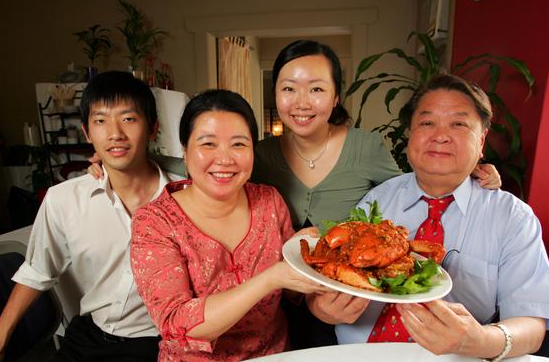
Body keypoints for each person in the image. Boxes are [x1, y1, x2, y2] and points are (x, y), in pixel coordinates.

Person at [87, 40, 502, 349]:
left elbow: (417, 179)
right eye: (288, 89)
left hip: (331, 306)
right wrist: (112, 159)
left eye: (317, 90)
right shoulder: (257, 155)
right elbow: (191, 164)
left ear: (336, 96)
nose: (302, 102)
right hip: (274, 307)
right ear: (275, 96)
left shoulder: (358, 152)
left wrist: (470, 170)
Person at [310, 74, 549, 360]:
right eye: (427, 122)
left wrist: (482, 339)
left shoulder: (513, 218)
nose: (440, 135)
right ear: (410, 136)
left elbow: (532, 324)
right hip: (355, 354)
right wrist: (321, 309)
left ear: (481, 140)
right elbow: (326, 275)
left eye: (458, 124)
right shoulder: (378, 200)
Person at [0, 71, 171, 362]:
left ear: (152, 129)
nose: (115, 133)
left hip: (163, 344)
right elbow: (37, 271)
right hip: (90, 339)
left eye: (128, 119)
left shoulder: (186, 198)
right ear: (86, 132)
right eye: (100, 121)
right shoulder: (64, 199)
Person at [129, 89, 327, 361]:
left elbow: (292, 291)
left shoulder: (269, 201)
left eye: (238, 144)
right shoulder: (154, 222)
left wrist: (304, 259)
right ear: (185, 152)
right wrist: (271, 278)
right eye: (208, 144)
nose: (225, 159)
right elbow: (177, 323)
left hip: (276, 355)